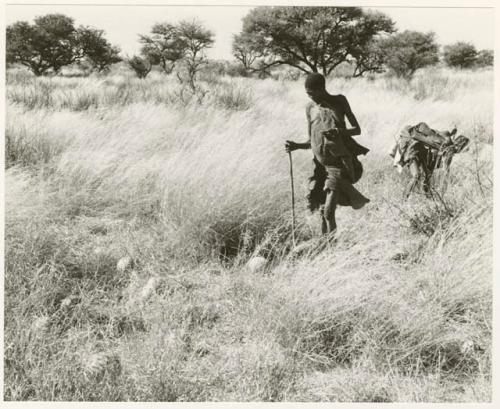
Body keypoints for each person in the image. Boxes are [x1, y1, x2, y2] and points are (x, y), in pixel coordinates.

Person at [285, 73, 370, 235]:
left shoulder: (339, 101)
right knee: (321, 210)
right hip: (320, 166)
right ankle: (326, 245)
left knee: (328, 212)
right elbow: (312, 141)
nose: (311, 97)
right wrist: (296, 146)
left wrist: (339, 132)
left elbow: (357, 130)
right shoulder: (310, 107)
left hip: (338, 165)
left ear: (322, 89)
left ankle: (333, 249)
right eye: (307, 94)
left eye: (312, 93)